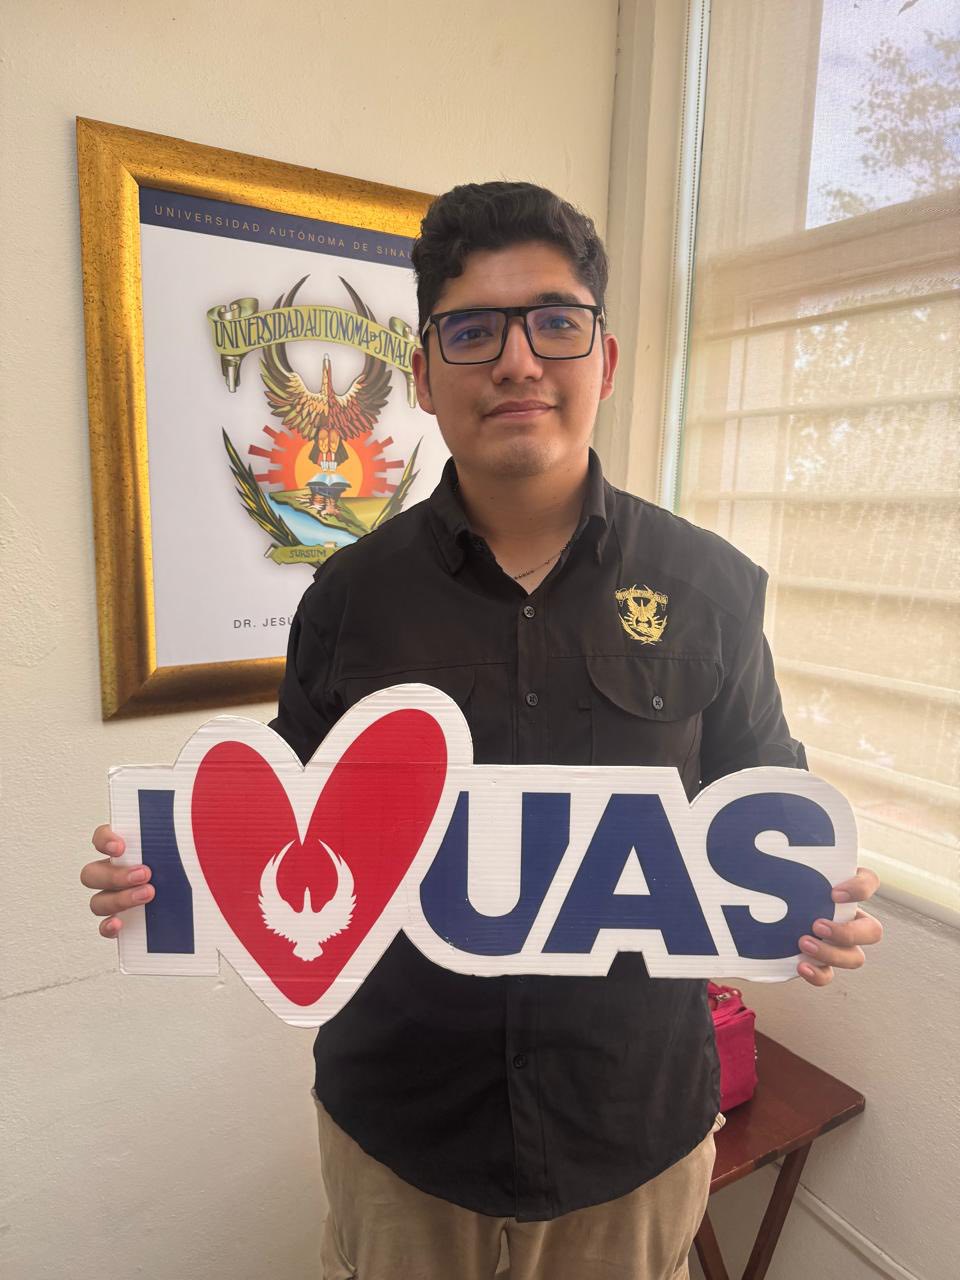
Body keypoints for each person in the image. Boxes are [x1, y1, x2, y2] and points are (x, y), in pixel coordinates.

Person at [82, 182, 883, 1280]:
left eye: (555, 322)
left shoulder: (710, 588)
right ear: (422, 374)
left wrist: (820, 903)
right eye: (473, 331)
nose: (517, 362)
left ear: (604, 360)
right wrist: (162, 873)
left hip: (632, 1134)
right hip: (404, 1136)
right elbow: (283, 825)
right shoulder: (346, 599)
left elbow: (767, 809)